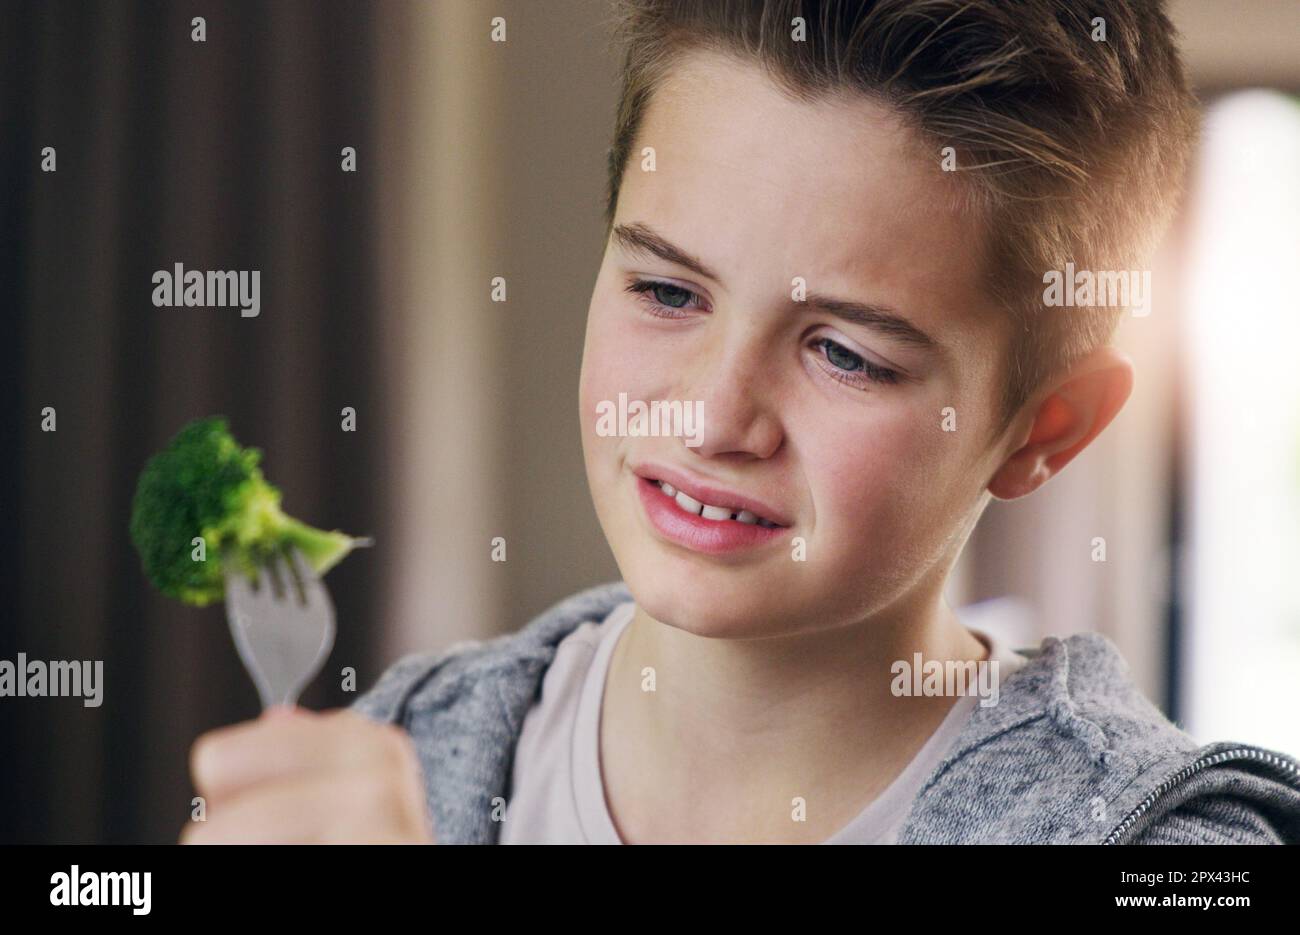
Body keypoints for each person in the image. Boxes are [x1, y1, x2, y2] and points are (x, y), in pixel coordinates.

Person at [182, 0, 1300, 844]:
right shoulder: (400, 750)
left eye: (845, 354)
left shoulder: (1173, 851)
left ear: (1045, 427)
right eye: (667, 292)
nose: (714, 415)